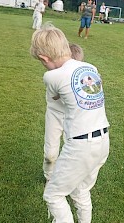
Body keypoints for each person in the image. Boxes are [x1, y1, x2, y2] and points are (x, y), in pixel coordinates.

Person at [30, 24, 110, 223]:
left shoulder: (51, 76)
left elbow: (57, 97)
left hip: (80, 146)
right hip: (103, 141)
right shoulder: (91, 68)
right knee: (81, 190)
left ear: (44, 58)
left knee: (53, 195)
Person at [42, 43, 84, 183]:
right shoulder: (53, 77)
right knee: (50, 153)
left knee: (72, 151)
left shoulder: (81, 74)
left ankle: (68, 178)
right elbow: (56, 96)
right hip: (55, 115)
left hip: (73, 118)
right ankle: (49, 177)